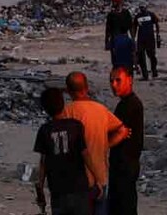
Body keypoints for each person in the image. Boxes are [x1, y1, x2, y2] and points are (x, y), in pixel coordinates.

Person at [62, 71, 130, 215]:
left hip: (76, 181)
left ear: (68, 91)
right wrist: (106, 144)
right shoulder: (101, 110)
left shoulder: (66, 113)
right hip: (100, 177)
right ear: (87, 88)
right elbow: (122, 130)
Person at [33, 88, 100, 215]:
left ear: (45, 109)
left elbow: (43, 162)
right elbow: (85, 154)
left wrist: (40, 187)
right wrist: (97, 178)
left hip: (58, 190)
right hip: (79, 188)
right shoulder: (76, 126)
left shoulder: (44, 130)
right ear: (63, 104)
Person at [108, 67, 144, 215]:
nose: (114, 85)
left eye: (118, 80)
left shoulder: (131, 105)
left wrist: (103, 145)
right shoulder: (124, 104)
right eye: (111, 81)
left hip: (125, 165)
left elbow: (121, 132)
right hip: (122, 165)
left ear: (130, 80)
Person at [105, 0, 134, 64]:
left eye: (114, 2)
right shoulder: (111, 15)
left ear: (119, 3)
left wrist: (133, 39)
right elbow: (108, 29)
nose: (113, 3)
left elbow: (131, 27)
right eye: (113, 2)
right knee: (115, 60)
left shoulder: (126, 13)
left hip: (124, 38)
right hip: (114, 39)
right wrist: (107, 42)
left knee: (126, 59)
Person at [134, 4, 160, 81]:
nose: (142, 9)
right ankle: (145, 75)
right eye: (141, 7)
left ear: (146, 7)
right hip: (141, 39)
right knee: (141, 57)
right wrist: (133, 38)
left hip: (150, 38)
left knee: (152, 56)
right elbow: (134, 26)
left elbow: (157, 23)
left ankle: (154, 72)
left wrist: (158, 34)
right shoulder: (137, 16)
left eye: (143, 7)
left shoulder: (151, 14)